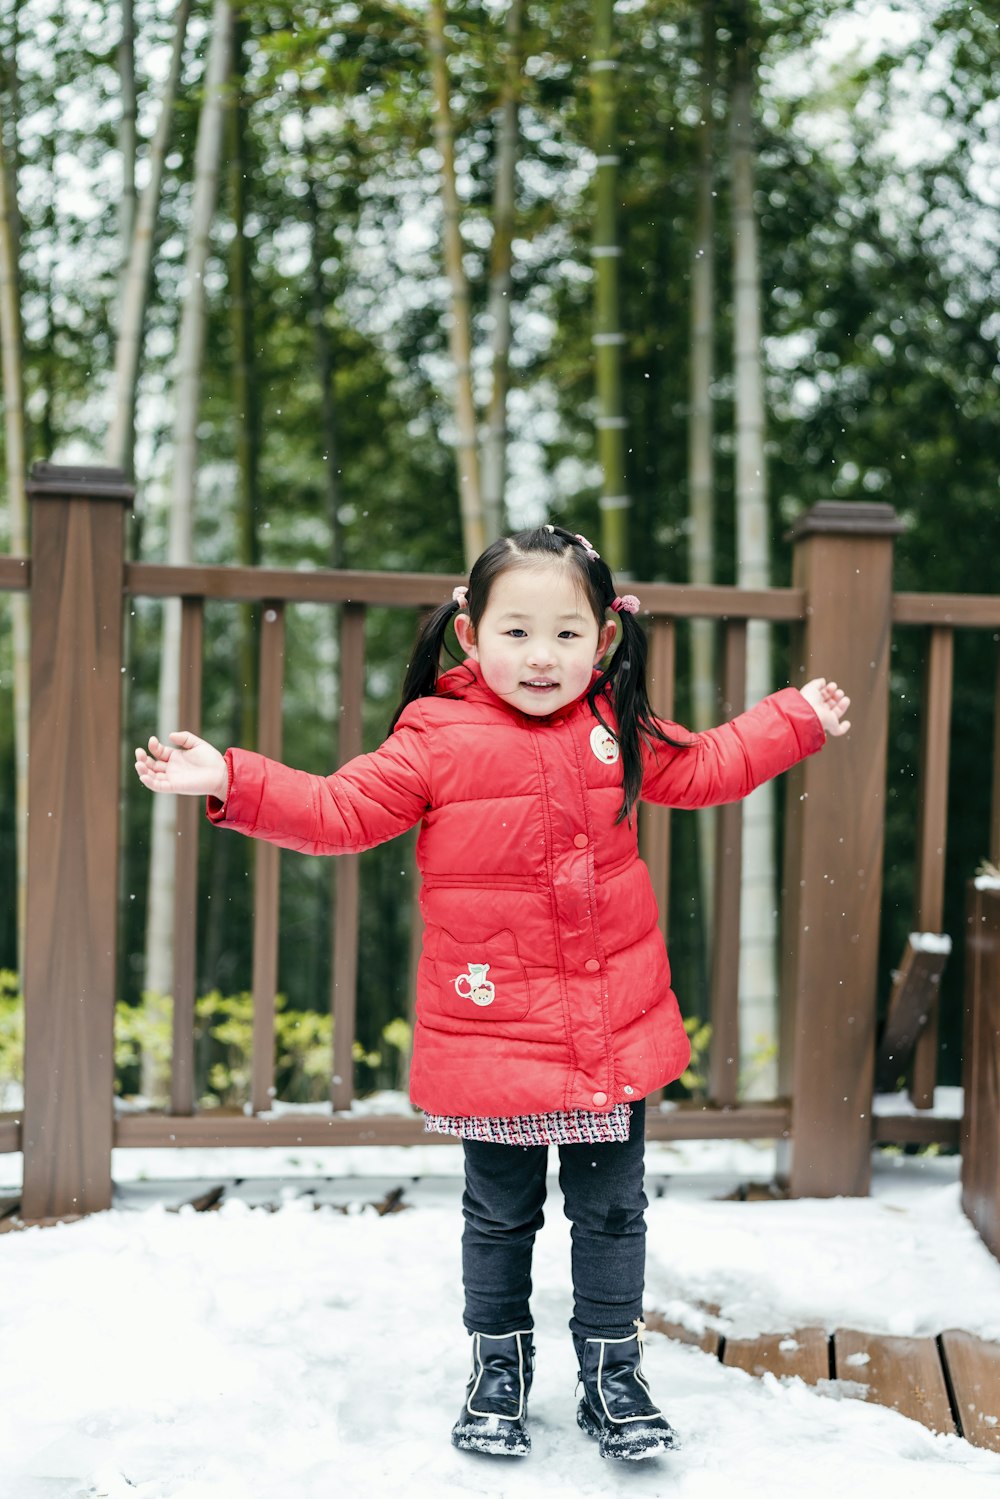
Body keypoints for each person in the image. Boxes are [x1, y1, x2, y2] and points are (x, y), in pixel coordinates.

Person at [135, 524, 850, 1464]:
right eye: (517, 632)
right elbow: (342, 810)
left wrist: (791, 719)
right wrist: (233, 775)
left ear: (603, 640)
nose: (542, 656)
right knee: (500, 1212)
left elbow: (709, 765)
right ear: (471, 636)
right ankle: (500, 1362)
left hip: (605, 1025)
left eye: (566, 633)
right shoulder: (436, 734)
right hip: (493, 1028)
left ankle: (611, 1365)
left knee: (612, 1209)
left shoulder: (614, 724)